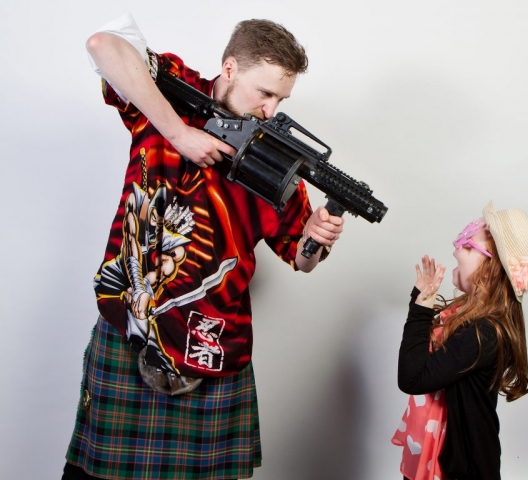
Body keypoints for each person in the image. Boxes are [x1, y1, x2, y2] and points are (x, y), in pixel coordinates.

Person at [62, 13, 344, 480]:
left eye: (281, 99)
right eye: (264, 92)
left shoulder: (277, 161)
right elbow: (102, 44)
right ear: (229, 68)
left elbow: (301, 258)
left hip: (212, 340)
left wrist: (315, 237)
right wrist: (178, 133)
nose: (270, 110)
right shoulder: (170, 90)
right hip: (133, 321)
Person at [391, 201, 528, 480]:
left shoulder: (483, 332)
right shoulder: (465, 315)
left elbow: (412, 378)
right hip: (440, 456)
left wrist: (421, 308)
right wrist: (421, 303)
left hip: (463, 469)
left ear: (489, 271)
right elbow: (422, 362)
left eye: (468, 243)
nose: (456, 248)